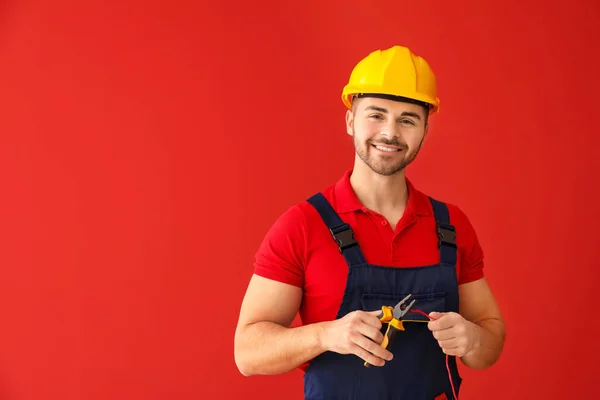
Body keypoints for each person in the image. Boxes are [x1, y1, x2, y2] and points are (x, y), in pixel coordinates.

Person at [234, 45, 506, 399]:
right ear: (350, 121)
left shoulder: (451, 227)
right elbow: (247, 353)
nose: (390, 133)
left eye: (407, 119)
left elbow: (490, 342)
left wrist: (473, 339)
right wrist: (325, 334)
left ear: (425, 129)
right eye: (376, 115)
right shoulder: (302, 225)